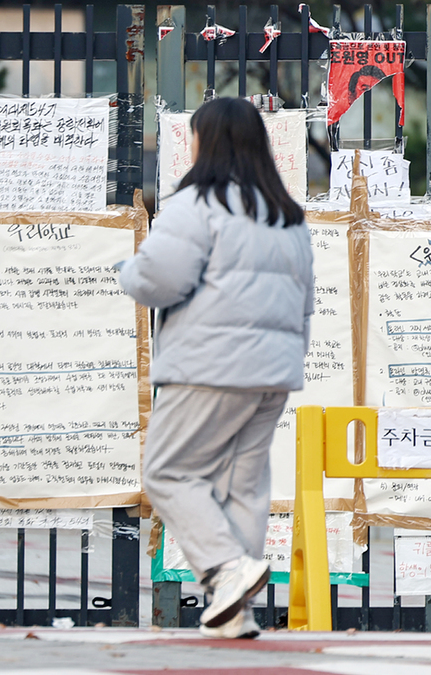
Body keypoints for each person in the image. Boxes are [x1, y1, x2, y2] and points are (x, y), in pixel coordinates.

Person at [119, 97, 314, 639]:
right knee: (241, 488)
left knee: (168, 470)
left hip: (208, 367)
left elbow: (158, 281)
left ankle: (226, 569)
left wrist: (126, 270)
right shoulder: (287, 216)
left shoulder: (196, 204)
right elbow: (304, 306)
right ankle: (236, 611)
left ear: (204, 142)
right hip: (272, 373)